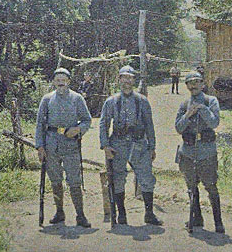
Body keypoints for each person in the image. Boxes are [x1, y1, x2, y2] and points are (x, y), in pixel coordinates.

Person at [99, 65, 162, 226]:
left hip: (139, 144)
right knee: (118, 178)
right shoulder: (111, 101)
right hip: (118, 144)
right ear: (119, 79)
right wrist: (105, 145)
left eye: (130, 78)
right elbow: (104, 124)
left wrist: (152, 146)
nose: (127, 81)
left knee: (146, 178)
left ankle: (149, 213)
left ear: (134, 80)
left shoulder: (142, 101)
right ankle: (121, 213)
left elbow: (149, 124)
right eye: (124, 77)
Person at [35, 68, 92, 227]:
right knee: (55, 180)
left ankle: (80, 215)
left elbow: (87, 120)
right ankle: (59, 212)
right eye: (57, 79)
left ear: (68, 81)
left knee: (74, 180)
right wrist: (40, 146)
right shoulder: (47, 99)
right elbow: (40, 124)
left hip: (70, 145)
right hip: (51, 145)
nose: (61, 82)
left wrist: (79, 129)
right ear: (53, 82)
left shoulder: (77, 98)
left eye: (63, 79)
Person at [175, 71, 225, 233]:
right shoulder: (184, 104)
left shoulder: (211, 101)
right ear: (187, 86)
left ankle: (218, 222)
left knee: (211, 186)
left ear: (203, 84)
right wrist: (188, 114)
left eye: (197, 82)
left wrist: (202, 109)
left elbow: (214, 122)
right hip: (188, 152)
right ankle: (196, 219)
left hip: (206, 152)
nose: (194, 85)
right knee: (191, 186)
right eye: (190, 82)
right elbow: (178, 127)